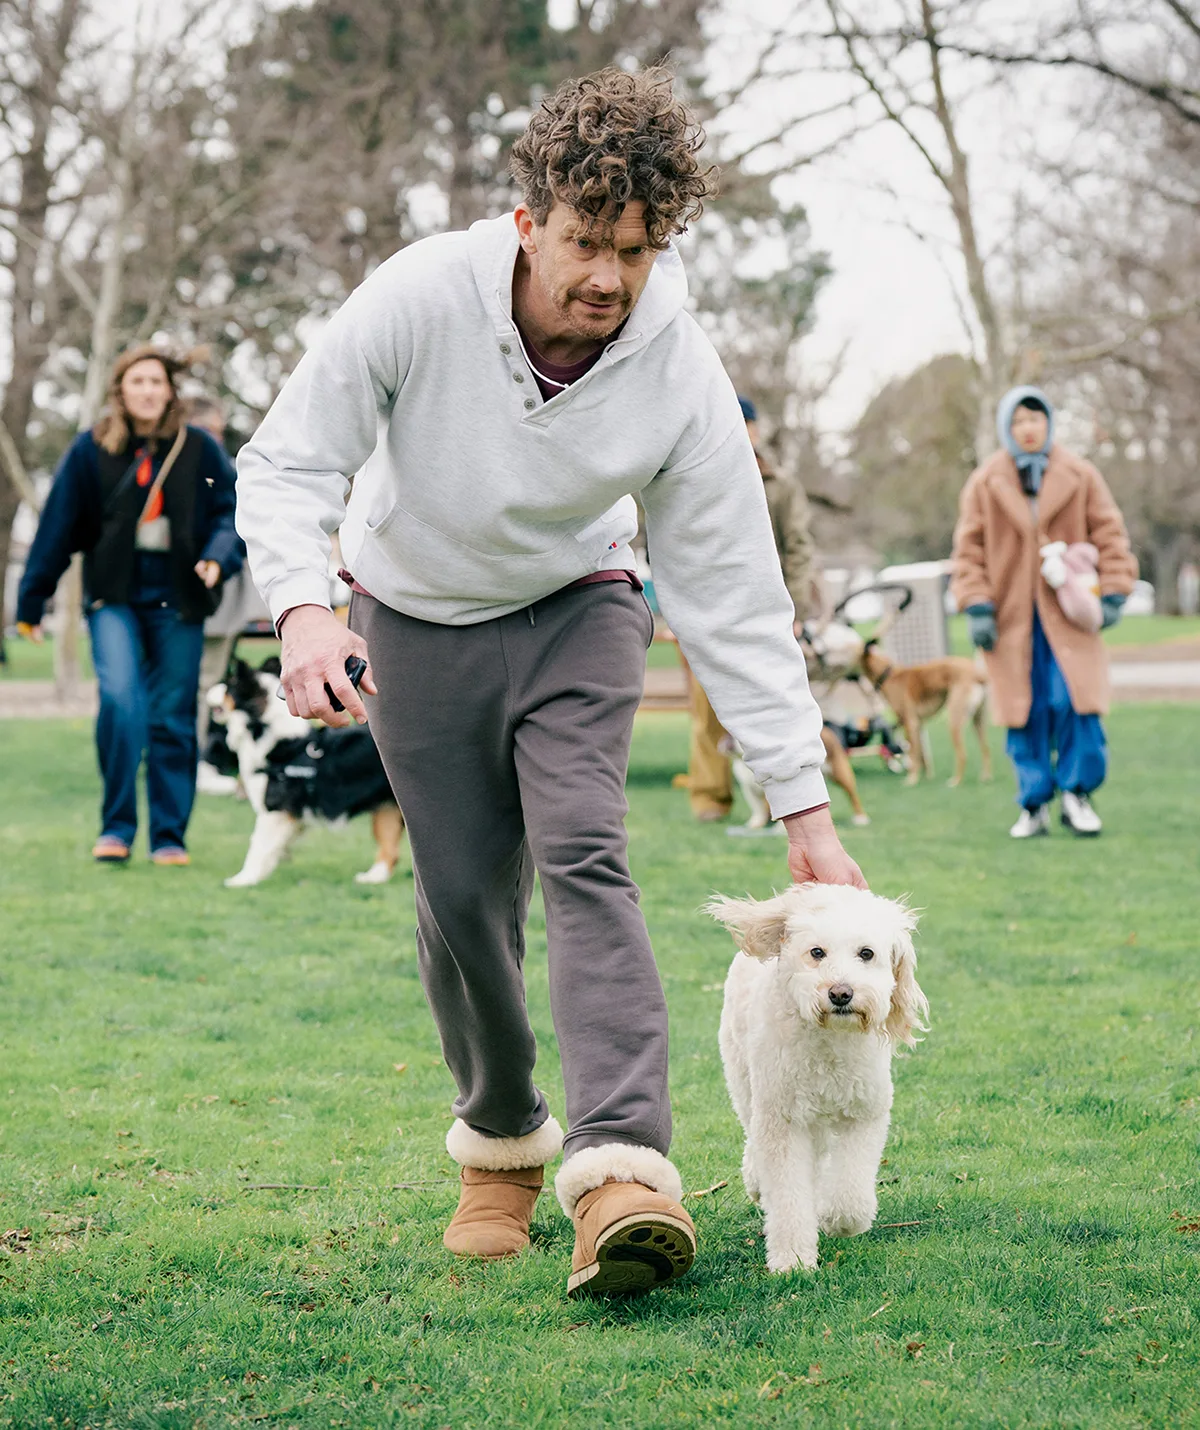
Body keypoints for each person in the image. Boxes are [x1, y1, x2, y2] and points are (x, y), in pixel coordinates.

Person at [234, 67, 864, 1298]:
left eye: (635, 249)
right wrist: (305, 609)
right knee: (463, 892)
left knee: (585, 849)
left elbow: (734, 594)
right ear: (530, 224)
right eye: (585, 242)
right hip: (411, 612)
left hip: (583, 605)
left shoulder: (679, 366)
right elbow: (289, 460)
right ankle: (504, 1136)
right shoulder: (420, 297)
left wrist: (806, 808)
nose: (608, 278)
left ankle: (622, 1166)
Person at [16, 345, 242, 864]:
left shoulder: (199, 450)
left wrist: (217, 558)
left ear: (170, 391)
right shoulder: (89, 449)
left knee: (171, 715)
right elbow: (56, 527)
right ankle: (116, 828)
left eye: (156, 382)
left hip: (178, 594)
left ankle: (169, 837)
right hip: (113, 594)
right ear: (121, 390)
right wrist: (31, 601)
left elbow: (232, 514)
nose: (147, 391)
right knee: (121, 702)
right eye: (136, 381)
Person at [950, 385, 1137, 839]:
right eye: (1018, 421)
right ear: (1006, 428)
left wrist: (1113, 591)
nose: (1028, 429)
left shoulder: (1082, 474)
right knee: (1024, 711)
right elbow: (968, 551)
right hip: (1013, 622)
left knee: (1075, 704)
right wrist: (977, 604)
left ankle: (1078, 796)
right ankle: (1033, 804)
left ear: (1049, 423)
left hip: (1070, 617)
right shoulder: (985, 480)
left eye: (1035, 418)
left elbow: (1111, 534)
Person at [679, 394, 819, 821]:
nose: (739, 429)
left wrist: (794, 611)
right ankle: (710, 799)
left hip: (767, 611)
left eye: (745, 422)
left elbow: (799, 549)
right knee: (707, 713)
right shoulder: (697, 475)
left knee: (777, 705)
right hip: (709, 608)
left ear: (756, 430)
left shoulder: (781, 484)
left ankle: (788, 803)